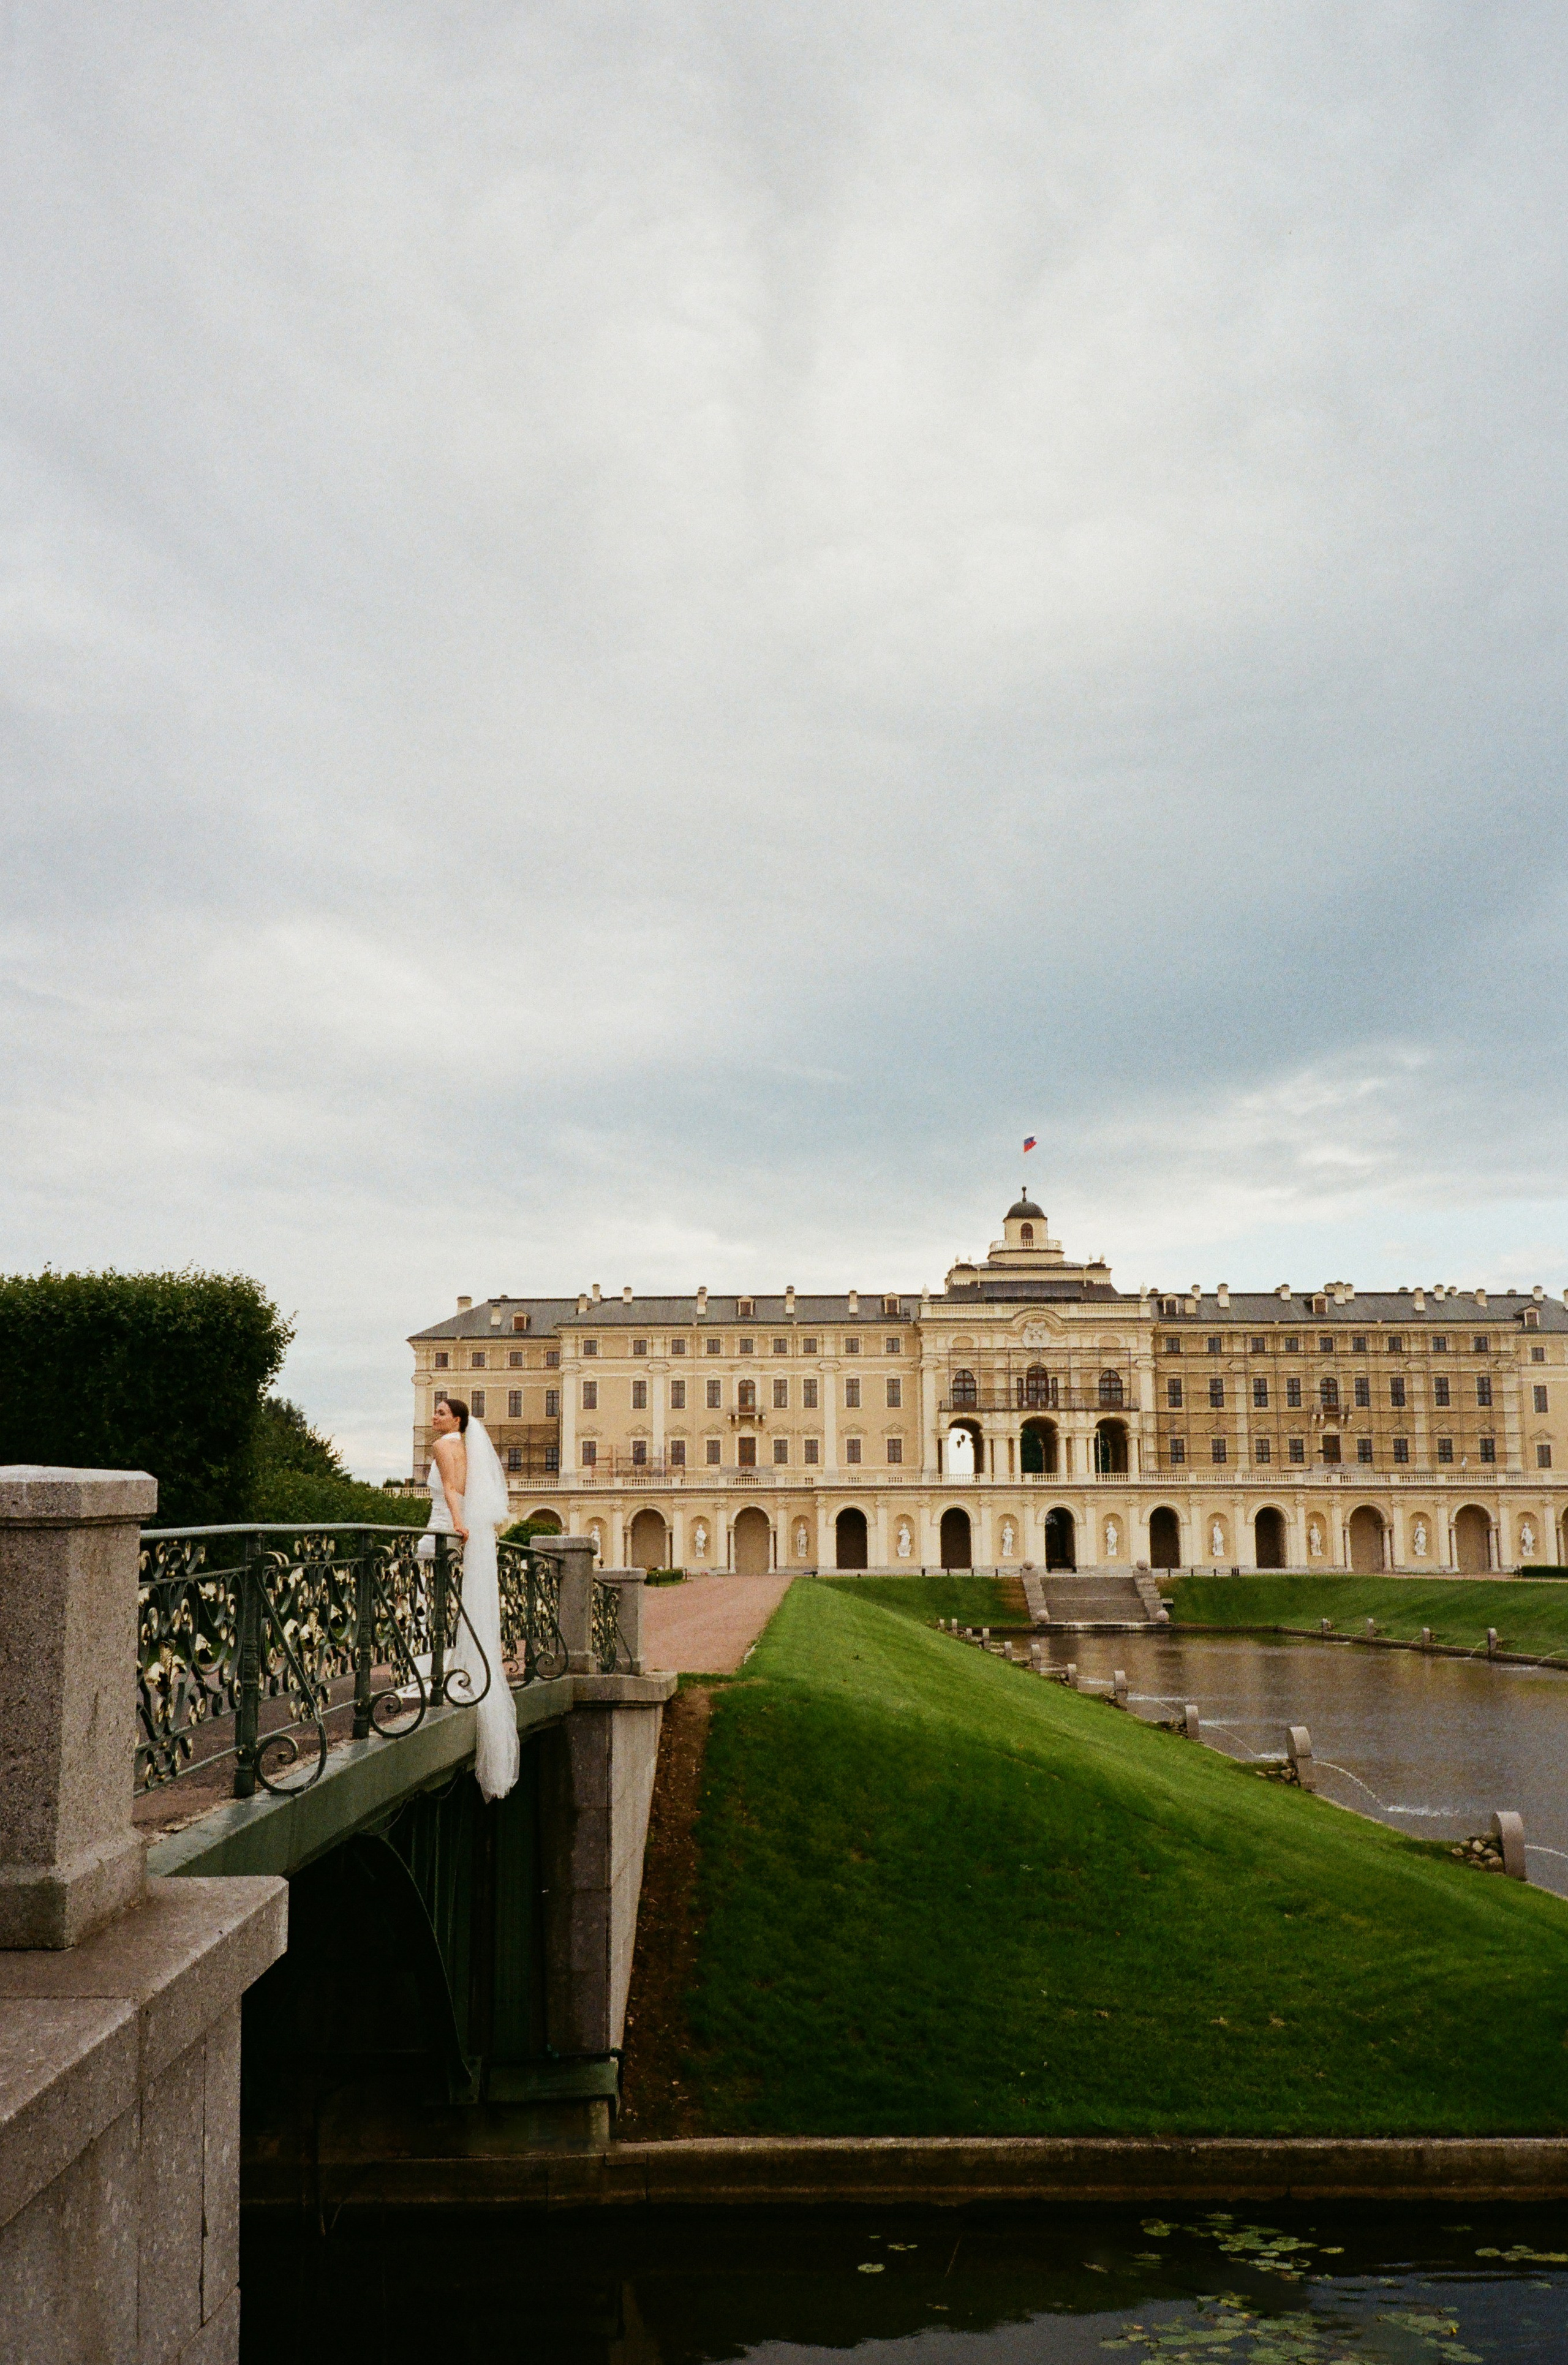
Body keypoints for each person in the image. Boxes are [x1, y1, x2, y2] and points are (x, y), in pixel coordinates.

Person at [425, 1396, 519, 1801]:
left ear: (457, 1419)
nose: (434, 1416)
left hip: (447, 1524)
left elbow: (449, 1488)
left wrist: (458, 1524)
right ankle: (453, 1666)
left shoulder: (443, 1445)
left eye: (441, 1412)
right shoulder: (467, 1446)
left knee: (425, 1595)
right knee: (455, 1599)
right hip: (467, 1526)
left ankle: (433, 1671)